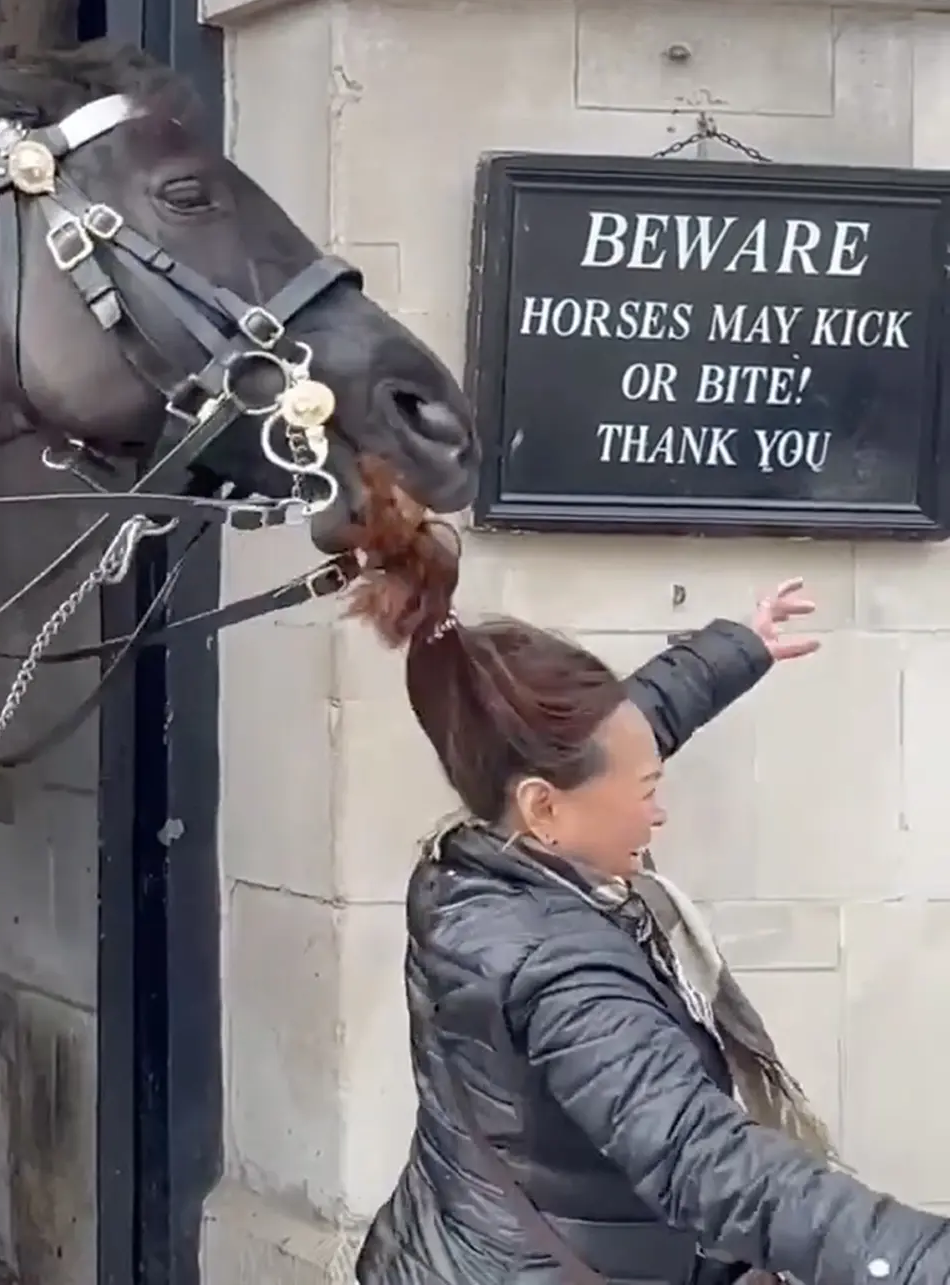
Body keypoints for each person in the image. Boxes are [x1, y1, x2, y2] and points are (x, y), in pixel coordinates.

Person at [344, 471, 950, 1285]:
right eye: (647, 792)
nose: (657, 816)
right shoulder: (559, 972)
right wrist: (915, 1260)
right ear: (544, 806)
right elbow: (706, 1162)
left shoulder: (481, 858)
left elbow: (632, 725)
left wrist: (736, 647)